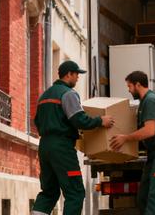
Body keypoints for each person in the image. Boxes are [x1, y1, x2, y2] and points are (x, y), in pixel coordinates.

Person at [32, 61, 115, 215]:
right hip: (62, 147)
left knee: (49, 192)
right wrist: (100, 121)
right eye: (77, 74)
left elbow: (37, 121)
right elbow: (79, 120)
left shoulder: (44, 96)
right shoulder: (68, 94)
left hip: (44, 146)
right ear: (69, 74)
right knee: (75, 193)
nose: (78, 78)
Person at [110, 71, 155, 215]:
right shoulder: (144, 102)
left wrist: (125, 138)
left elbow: (149, 131)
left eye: (129, 86)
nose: (128, 90)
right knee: (145, 197)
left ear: (138, 84)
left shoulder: (150, 101)